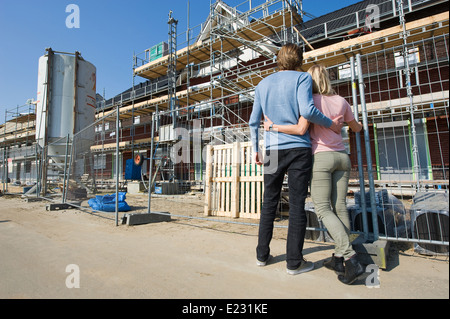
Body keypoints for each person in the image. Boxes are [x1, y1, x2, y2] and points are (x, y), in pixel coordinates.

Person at [263, 64, 364, 284]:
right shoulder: (341, 101)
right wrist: (351, 123)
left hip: (320, 158)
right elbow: (356, 128)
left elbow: (300, 128)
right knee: (339, 207)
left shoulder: (308, 102)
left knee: (322, 208)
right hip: (342, 157)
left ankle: (350, 256)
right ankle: (339, 257)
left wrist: (272, 127)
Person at [248, 44, 343, 275]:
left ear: (278, 60)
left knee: (269, 202)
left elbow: (253, 121)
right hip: (298, 150)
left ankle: (262, 255)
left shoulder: (262, 84)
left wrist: (255, 149)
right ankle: (294, 262)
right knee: (297, 204)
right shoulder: (302, 78)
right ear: (299, 59)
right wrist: (331, 124)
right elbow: (308, 111)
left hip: (270, 149)